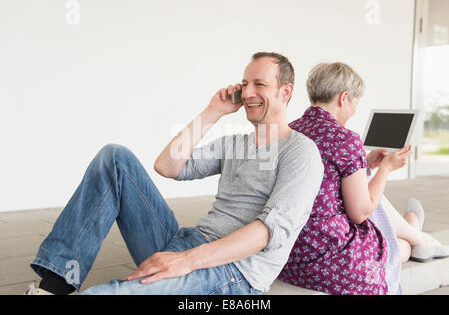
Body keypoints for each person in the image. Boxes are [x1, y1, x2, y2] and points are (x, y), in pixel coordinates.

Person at [25, 52, 324, 295]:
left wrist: (186, 261)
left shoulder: (301, 152)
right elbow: (168, 166)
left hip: (233, 274)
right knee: (115, 158)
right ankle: (54, 286)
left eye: (259, 84)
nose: (247, 93)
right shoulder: (235, 142)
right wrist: (213, 111)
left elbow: (267, 232)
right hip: (186, 241)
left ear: (286, 92)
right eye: (245, 84)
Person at [278, 62, 449, 295]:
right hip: (327, 260)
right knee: (398, 247)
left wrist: (365, 164)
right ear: (343, 98)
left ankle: (415, 231)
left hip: (290, 256)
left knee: (366, 186)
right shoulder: (345, 139)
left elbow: (321, 180)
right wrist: (385, 169)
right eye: (356, 102)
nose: (355, 109)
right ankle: (417, 237)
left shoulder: (289, 131)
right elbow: (360, 212)